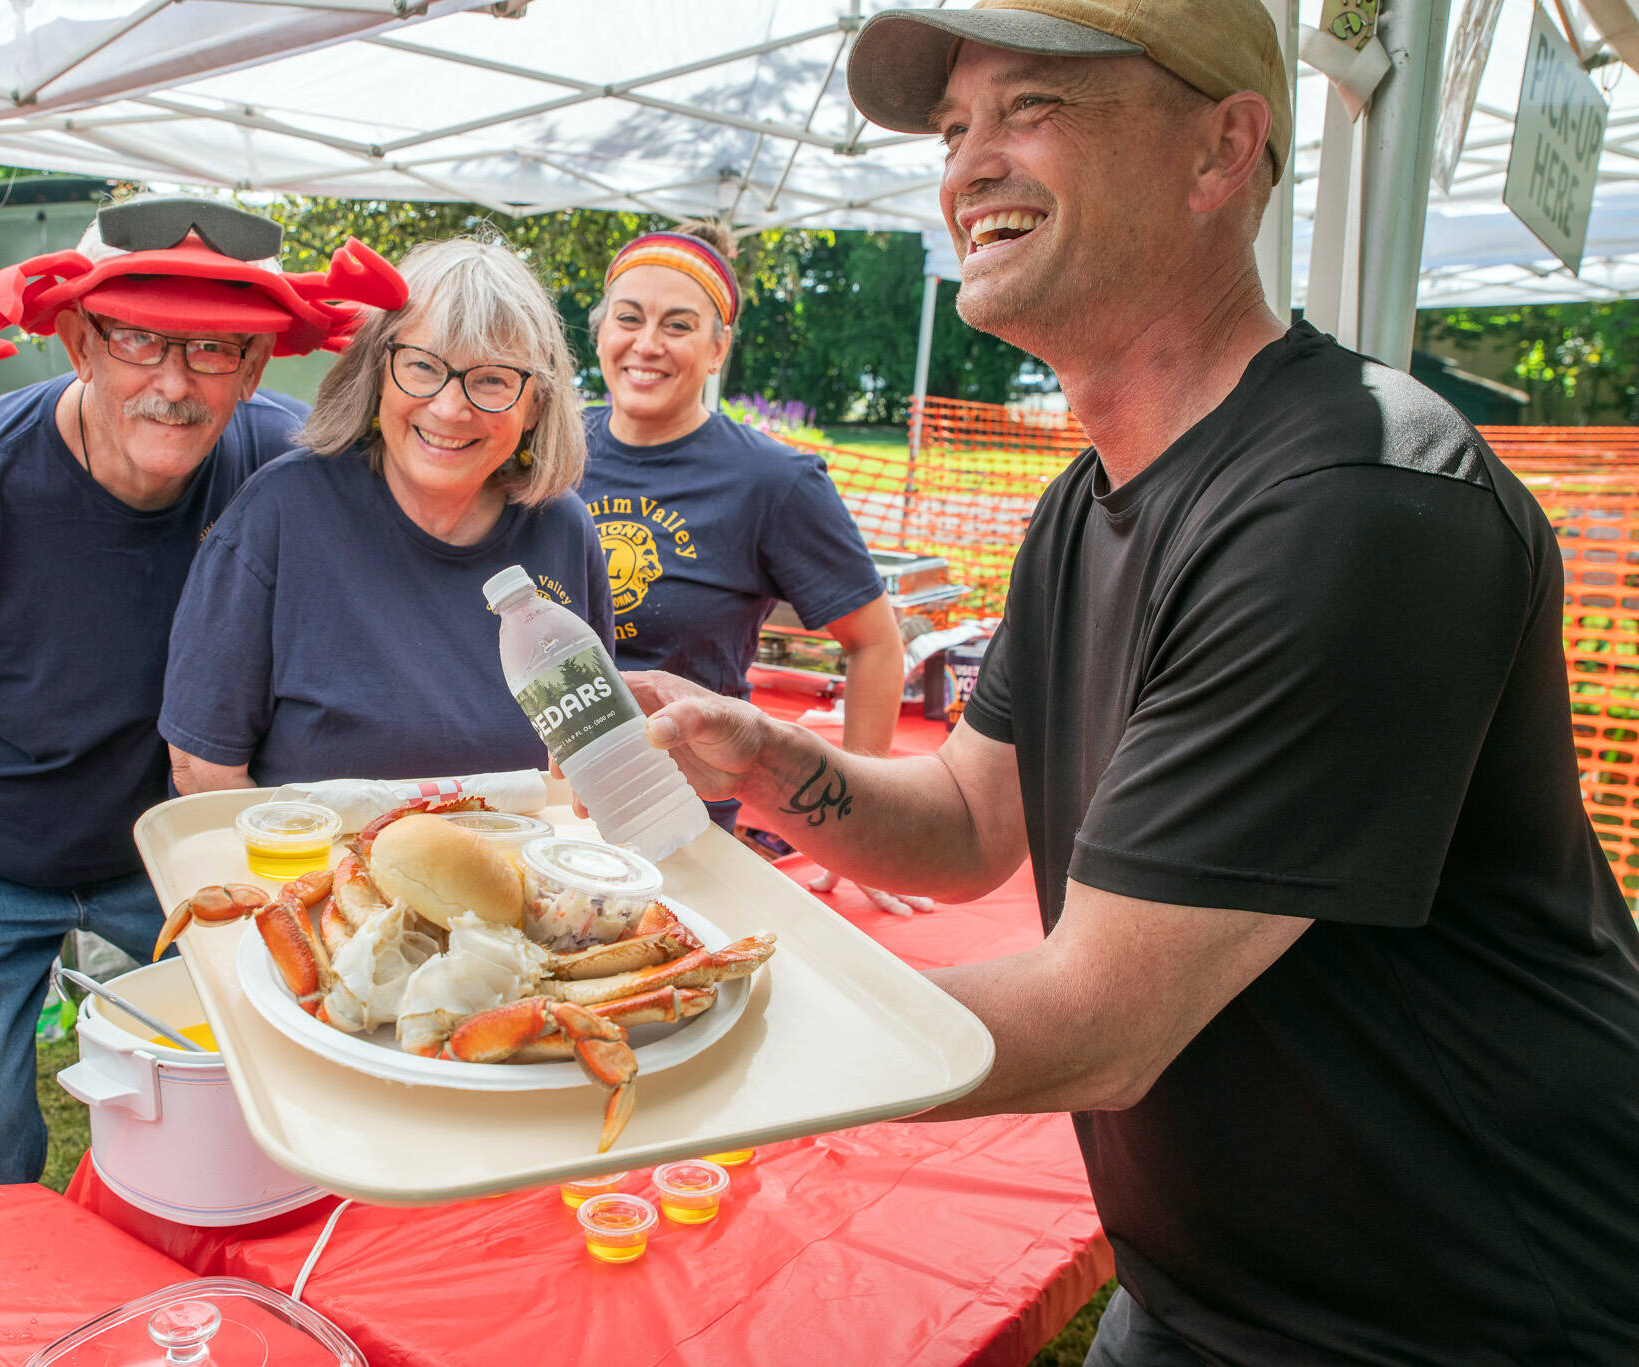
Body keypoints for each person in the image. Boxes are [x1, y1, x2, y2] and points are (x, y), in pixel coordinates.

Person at [623, 4, 1639, 1363]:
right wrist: (751, 752)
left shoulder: (1355, 499)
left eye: (1030, 107)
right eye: (954, 129)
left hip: (1473, 1306)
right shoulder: (1082, 508)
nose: (968, 164)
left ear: (1223, 149)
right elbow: (969, 825)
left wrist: (634, 1030)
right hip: (1205, 1289)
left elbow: (1097, 1022)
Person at [0, 195, 405, 1215]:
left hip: (155, 848)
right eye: (139, 340)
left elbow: (427, 504)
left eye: (213, 351)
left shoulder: (283, 468)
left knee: (280, 1067)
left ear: (256, 370)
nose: (172, 383)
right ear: (77, 340)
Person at [161, 237, 612, 791]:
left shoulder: (560, 527)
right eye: (422, 366)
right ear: (377, 370)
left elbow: (590, 757)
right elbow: (201, 769)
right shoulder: (280, 514)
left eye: (492, 379)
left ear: (536, 402)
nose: (450, 408)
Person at [579, 224, 910, 889]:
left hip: (681, 830)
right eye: (629, 318)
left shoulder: (774, 483)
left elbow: (876, 644)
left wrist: (859, 830)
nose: (646, 344)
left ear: (716, 349)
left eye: (678, 325)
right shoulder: (551, 447)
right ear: (600, 332)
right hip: (548, 805)